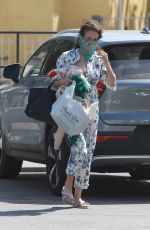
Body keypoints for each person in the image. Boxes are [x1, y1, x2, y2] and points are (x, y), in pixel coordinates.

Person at [52, 19, 116, 208]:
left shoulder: (98, 60)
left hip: (90, 111)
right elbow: (55, 81)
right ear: (81, 38)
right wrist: (69, 81)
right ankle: (67, 185)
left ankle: (78, 196)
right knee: (80, 148)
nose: (90, 42)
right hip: (71, 109)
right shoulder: (67, 57)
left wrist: (106, 62)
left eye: (94, 40)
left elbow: (111, 83)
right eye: (87, 38)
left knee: (88, 154)